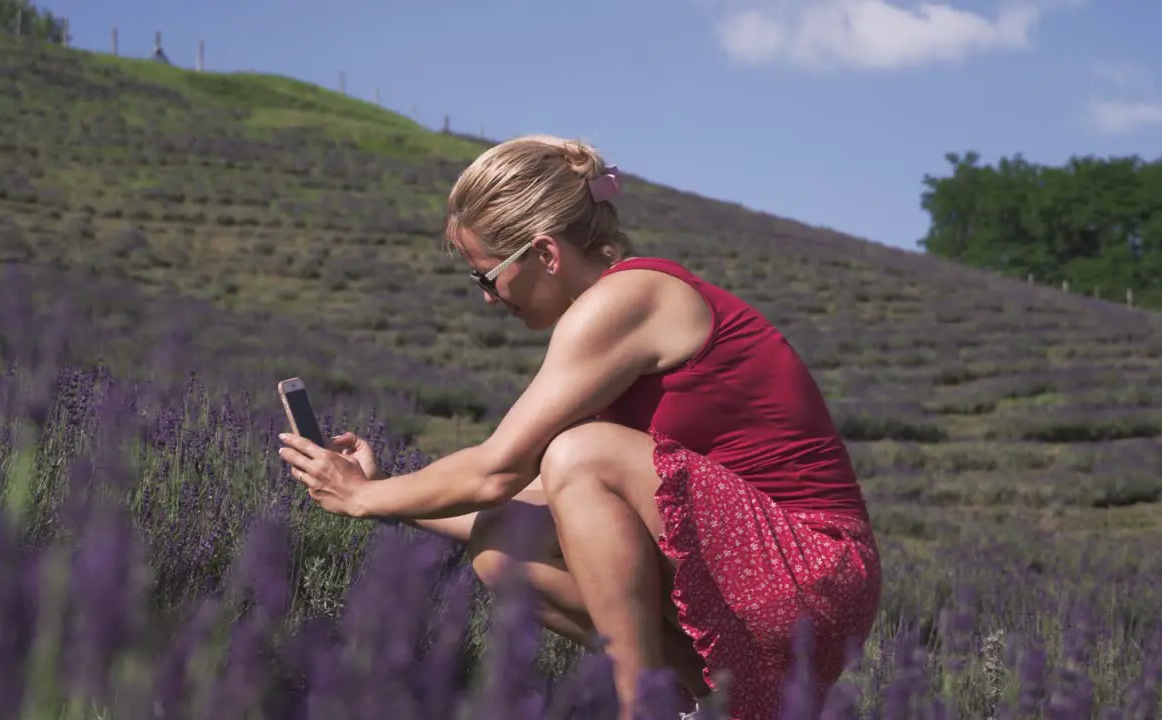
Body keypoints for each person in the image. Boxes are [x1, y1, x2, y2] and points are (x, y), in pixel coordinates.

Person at [278, 135, 881, 720]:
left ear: (545, 254)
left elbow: (497, 468)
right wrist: (388, 495)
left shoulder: (627, 300)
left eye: (488, 276)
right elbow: (521, 496)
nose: (488, 299)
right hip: (761, 580)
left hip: (814, 568)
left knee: (578, 454)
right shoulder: (609, 319)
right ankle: (706, 701)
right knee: (502, 548)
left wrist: (361, 496)